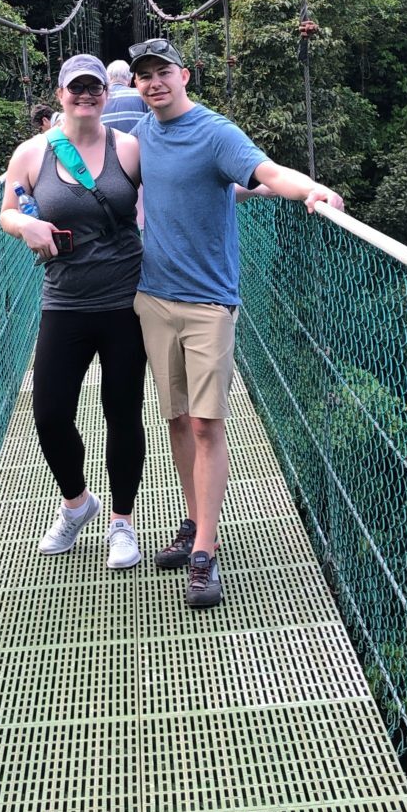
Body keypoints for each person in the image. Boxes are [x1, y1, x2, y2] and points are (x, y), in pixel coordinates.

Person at [129, 36, 343, 609]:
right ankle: (193, 522)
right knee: (176, 418)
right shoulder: (141, 134)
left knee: (205, 424)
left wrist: (312, 190)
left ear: (186, 76)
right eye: (144, 75)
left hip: (208, 304)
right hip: (151, 297)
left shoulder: (216, 132)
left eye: (163, 72)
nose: (154, 82)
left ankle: (205, 552)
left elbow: (266, 172)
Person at [0, 54, 147, 569]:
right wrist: (26, 227)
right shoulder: (32, 153)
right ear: (59, 94)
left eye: (95, 87)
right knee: (50, 413)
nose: (85, 95)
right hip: (64, 300)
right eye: (75, 87)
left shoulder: (128, 147)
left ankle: (122, 523)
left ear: (107, 93)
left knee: (122, 411)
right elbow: (7, 211)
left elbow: (174, 189)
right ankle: (78, 503)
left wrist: (259, 185)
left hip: (127, 300)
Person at [101, 59, 146, 133]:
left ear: (108, 78)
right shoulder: (140, 94)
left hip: (106, 143)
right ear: (130, 79)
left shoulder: (99, 98)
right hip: (135, 143)